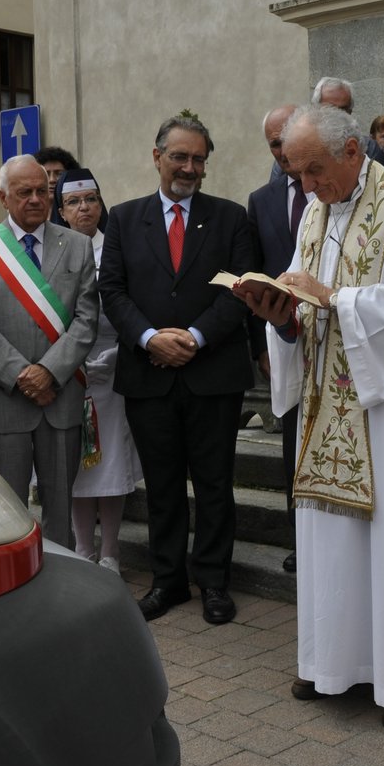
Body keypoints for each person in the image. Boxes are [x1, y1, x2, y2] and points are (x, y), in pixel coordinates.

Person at [235, 102, 384, 729]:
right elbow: (308, 306)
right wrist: (281, 315)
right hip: (328, 393)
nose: (305, 185)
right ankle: (333, 661)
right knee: (329, 539)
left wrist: (339, 300)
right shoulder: (316, 209)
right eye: (295, 172)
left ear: (354, 152)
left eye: (313, 169)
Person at [99, 115, 256, 625]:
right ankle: (168, 581)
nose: (189, 168)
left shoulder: (231, 218)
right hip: (148, 374)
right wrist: (150, 338)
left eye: (198, 159)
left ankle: (213, 581)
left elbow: (241, 291)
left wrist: (195, 336)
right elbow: (113, 291)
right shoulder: (123, 219)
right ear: (157, 156)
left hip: (212, 372)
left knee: (214, 483)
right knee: (162, 485)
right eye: (180, 157)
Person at [0, 155, 99, 552]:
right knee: (7, 510)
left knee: (60, 507)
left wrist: (49, 373)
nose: (36, 199)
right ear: (3, 197)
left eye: (43, 191)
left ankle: (61, 585)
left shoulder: (77, 246)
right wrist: (24, 374)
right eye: (24, 192)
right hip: (4, 401)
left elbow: (86, 321)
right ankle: (15, 583)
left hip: (60, 399)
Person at [55, 168, 140, 576]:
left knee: (110, 464)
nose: (84, 208)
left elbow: (132, 306)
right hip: (68, 374)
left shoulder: (119, 250)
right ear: (62, 211)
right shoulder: (54, 253)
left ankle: (110, 551)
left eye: (91, 199)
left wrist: (115, 357)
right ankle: (82, 548)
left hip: (112, 371)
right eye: (74, 201)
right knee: (76, 467)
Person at [246, 104, 314, 574]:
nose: (282, 151)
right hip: (283, 339)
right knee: (293, 441)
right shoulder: (262, 199)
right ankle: (301, 538)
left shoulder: (332, 190)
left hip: (335, 331)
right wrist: (260, 346)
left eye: (287, 138)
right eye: (274, 144)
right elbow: (253, 275)